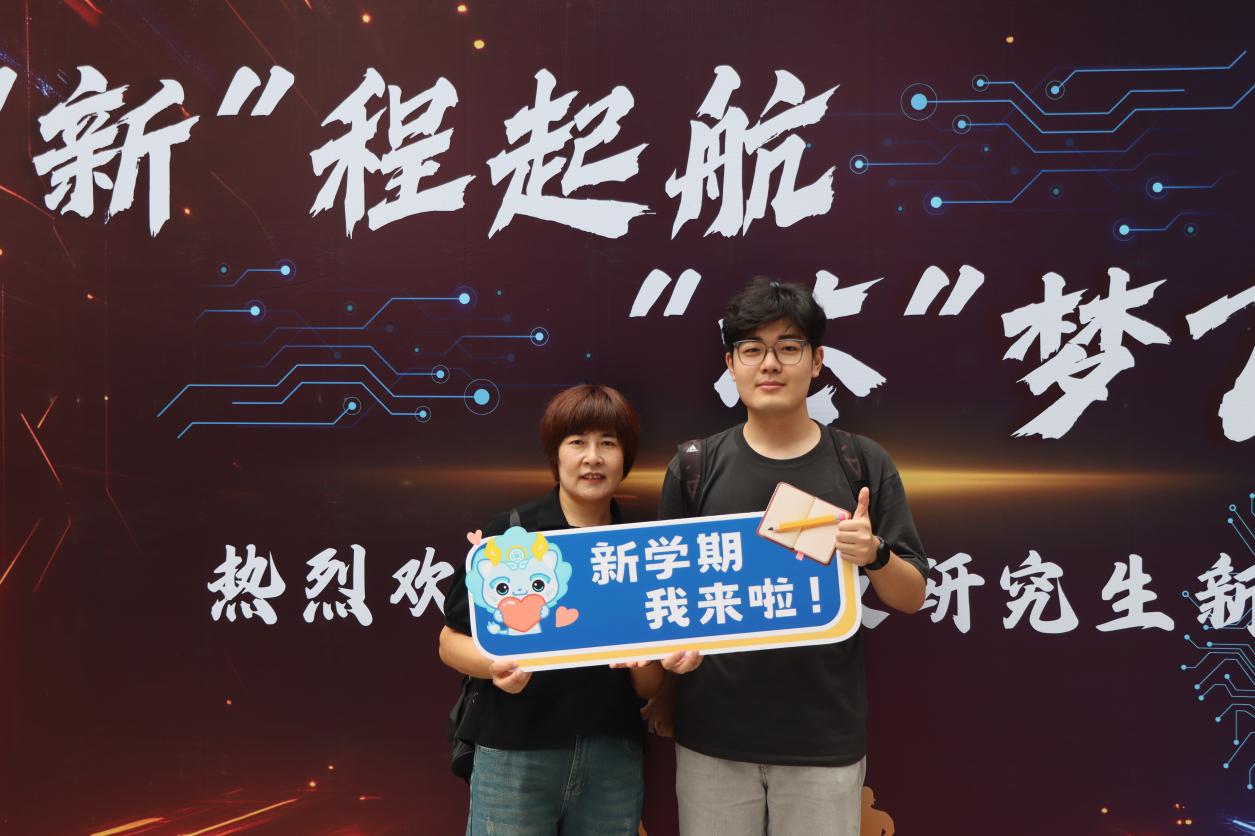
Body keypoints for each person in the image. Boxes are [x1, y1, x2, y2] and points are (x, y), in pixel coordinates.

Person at [656, 278, 928, 836]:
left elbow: (912, 596)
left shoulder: (861, 463)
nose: (770, 364)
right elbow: (664, 597)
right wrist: (671, 652)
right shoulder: (694, 466)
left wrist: (874, 554)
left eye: (788, 347)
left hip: (822, 744)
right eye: (751, 349)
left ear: (817, 361)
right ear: (731, 365)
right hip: (712, 741)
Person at [440, 384, 663, 836]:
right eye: (577, 442)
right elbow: (449, 642)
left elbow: (650, 685)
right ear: (555, 454)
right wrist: (495, 665)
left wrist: (641, 661)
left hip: (611, 758)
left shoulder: (643, 548)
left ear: (626, 457)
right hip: (514, 752)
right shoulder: (512, 535)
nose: (593, 458)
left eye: (608, 443)